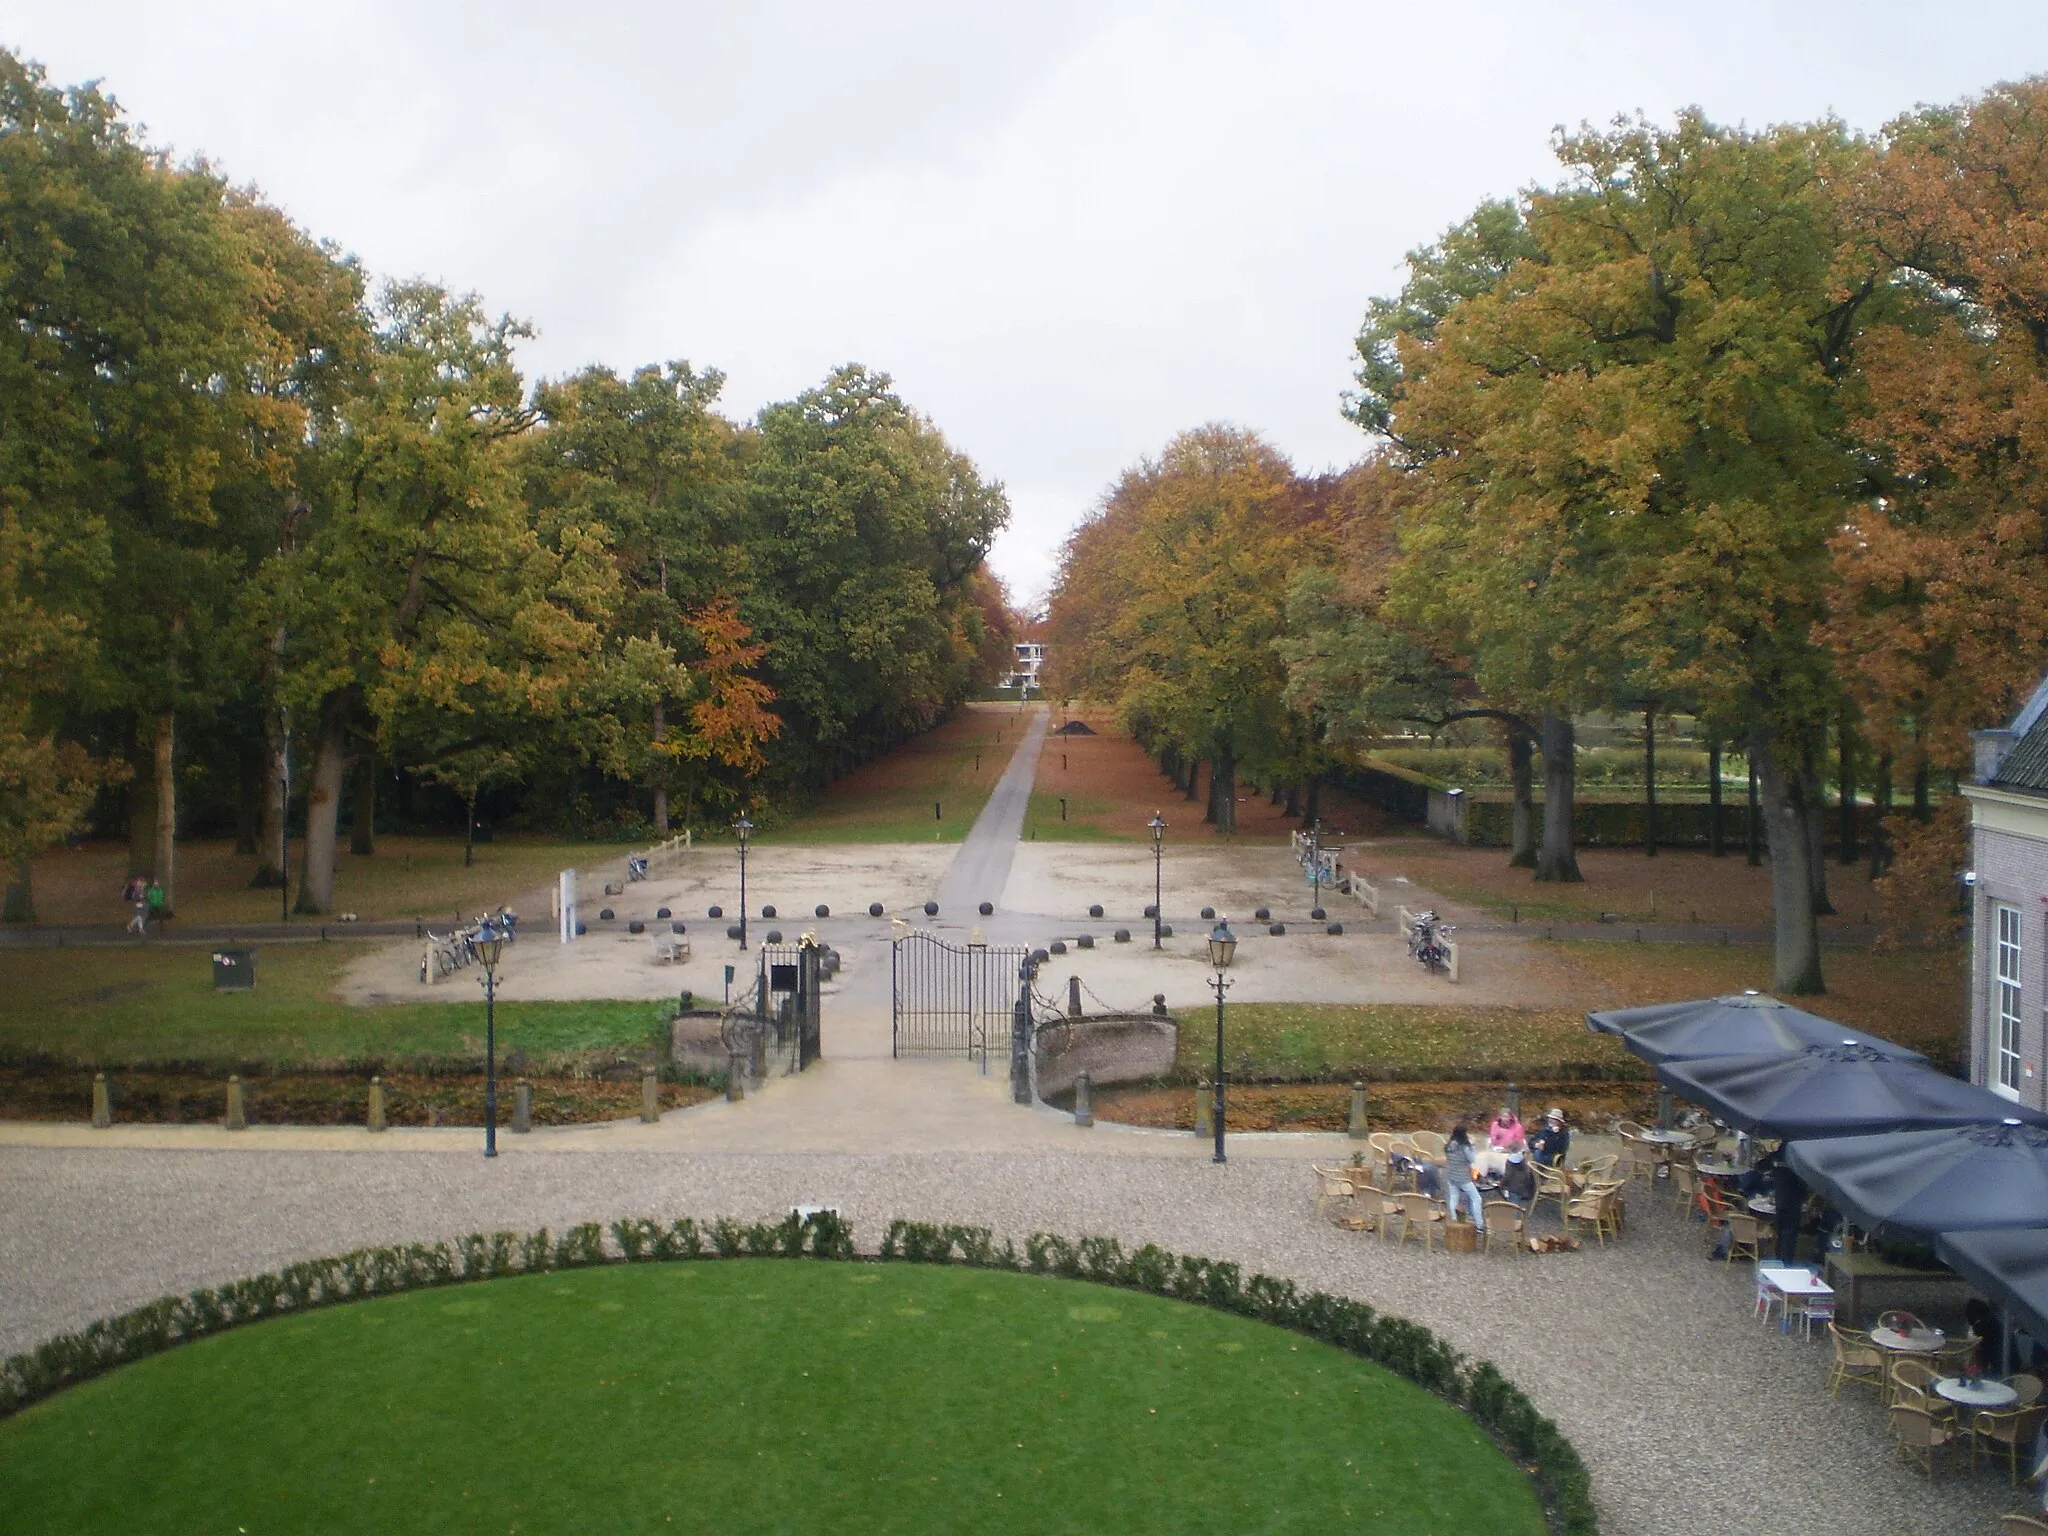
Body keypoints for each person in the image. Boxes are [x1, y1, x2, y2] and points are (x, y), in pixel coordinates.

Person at [1444, 1123, 1485, 1232]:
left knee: (1454, 1197)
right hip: (1463, 1177)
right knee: (1476, 1198)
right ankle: (1479, 1224)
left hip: (1451, 1175)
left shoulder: (1449, 1145)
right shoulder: (1465, 1147)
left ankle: (1454, 1219)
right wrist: (1473, 1145)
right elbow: (1472, 1159)